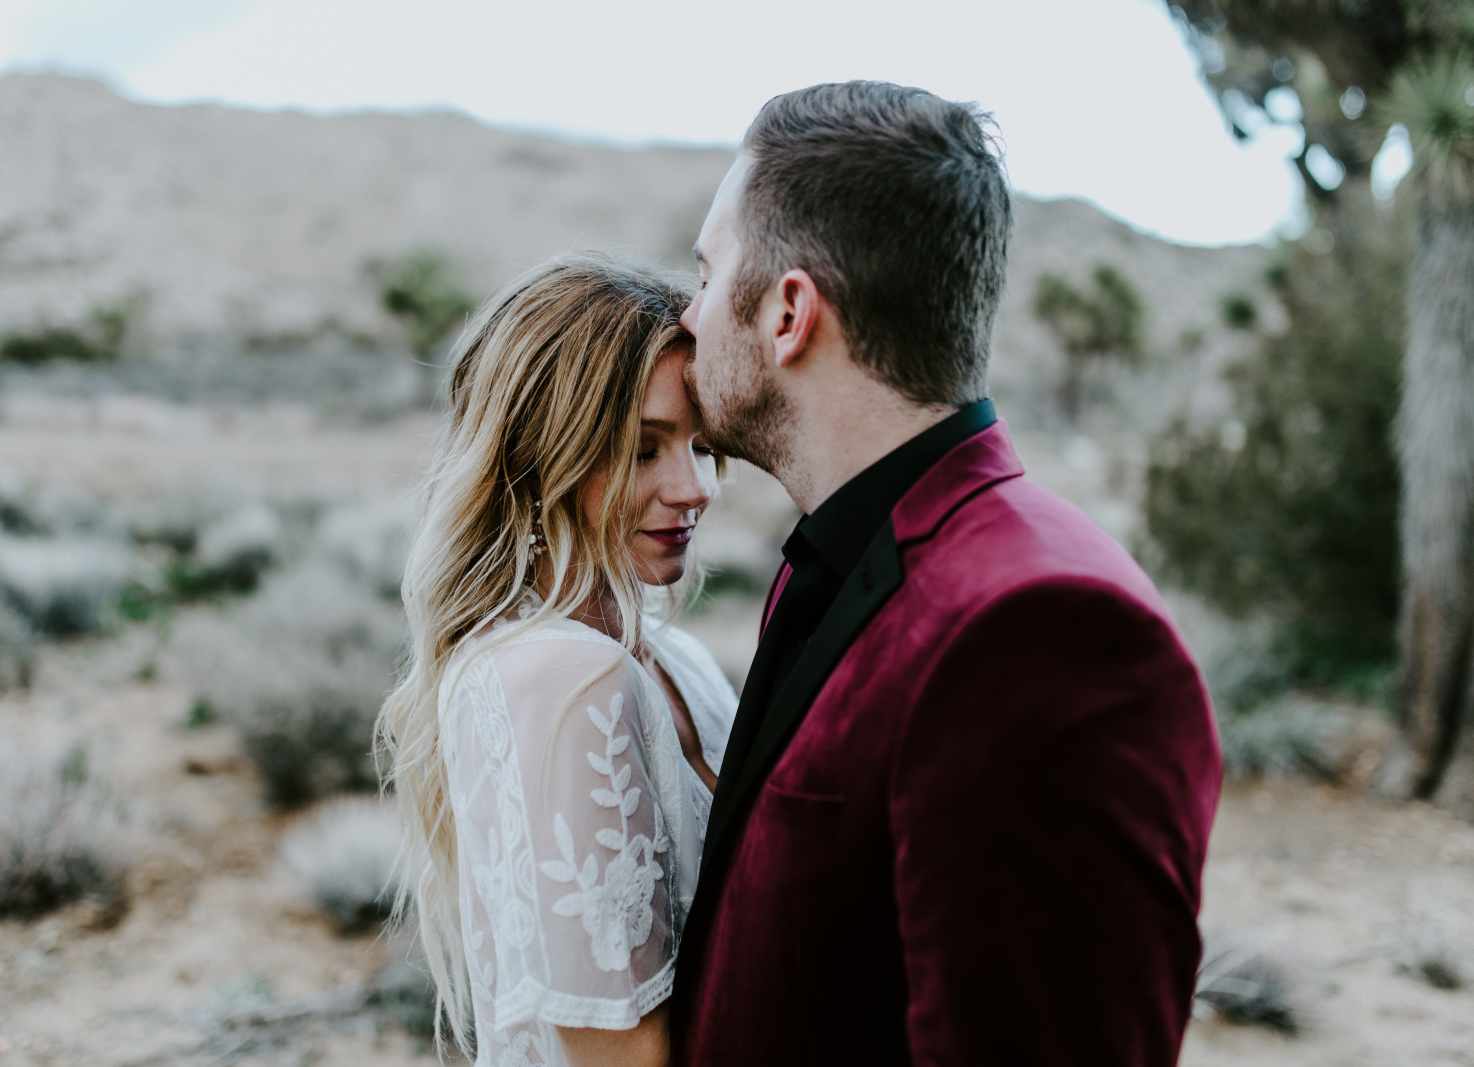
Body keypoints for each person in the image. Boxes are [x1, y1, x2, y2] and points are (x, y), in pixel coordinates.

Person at [671, 81, 1223, 1066]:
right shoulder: (828, 567)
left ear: (789, 311)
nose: (687, 314)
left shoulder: (1043, 634)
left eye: (705, 274)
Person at [377, 253, 737, 1067]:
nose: (695, 487)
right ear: (544, 458)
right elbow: (621, 1053)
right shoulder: (568, 682)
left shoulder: (677, 659)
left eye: (702, 444)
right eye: (644, 449)